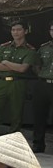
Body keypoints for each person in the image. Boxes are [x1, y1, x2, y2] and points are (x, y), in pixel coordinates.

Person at [0, 21, 37, 140]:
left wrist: (6, 63)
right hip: (1, 82)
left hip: (18, 83)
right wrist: (12, 66)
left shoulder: (30, 50)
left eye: (19, 29)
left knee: (16, 113)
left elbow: (22, 69)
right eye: (13, 30)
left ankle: (13, 140)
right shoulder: (3, 47)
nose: (15, 32)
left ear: (25, 31)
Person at [32, 22, 53, 153]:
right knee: (39, 115)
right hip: (43, 83)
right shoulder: (44, 48)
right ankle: (38, 144)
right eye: (52, 29)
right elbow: (36, 64)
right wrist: (40, 74)